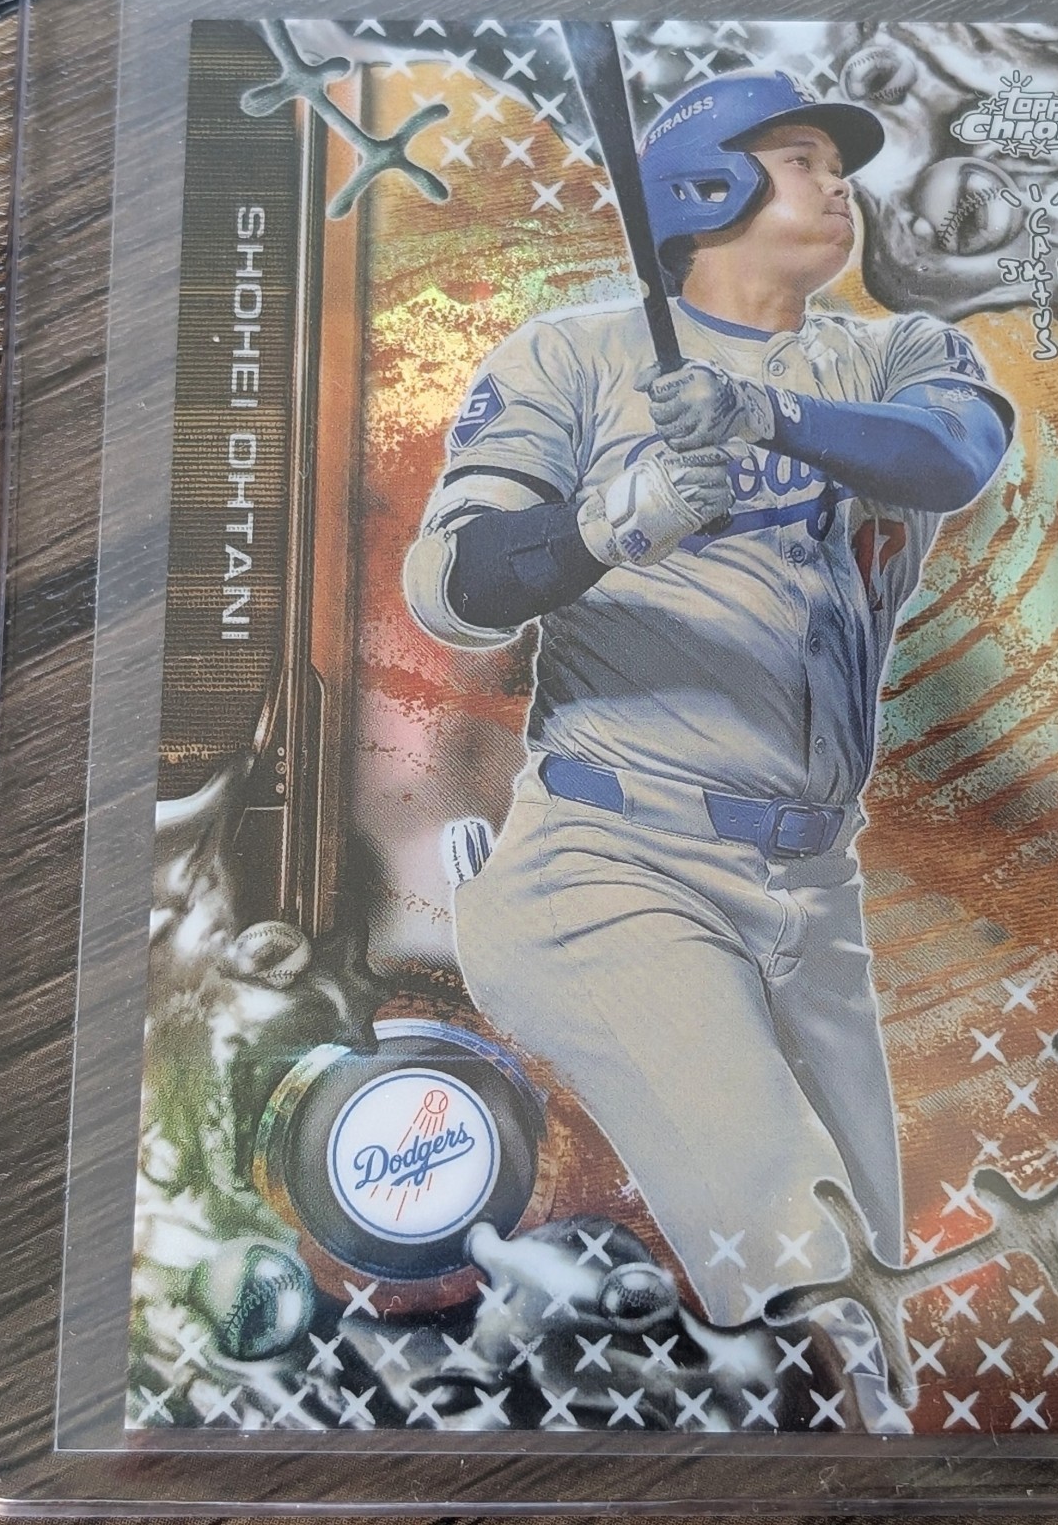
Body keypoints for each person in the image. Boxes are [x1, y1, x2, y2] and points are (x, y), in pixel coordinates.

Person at [403, 70, 1015, 1357]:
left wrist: (761, 413)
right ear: (705, 186)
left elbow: (952, 455)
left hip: (812, 889)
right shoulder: (573, 357)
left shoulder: (892, 354)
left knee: (875, 1311)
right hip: (613, 864)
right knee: (812, 1275)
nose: (837, 183)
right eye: (800, 158)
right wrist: (608, 524)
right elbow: (447, 588)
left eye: (836, 162)